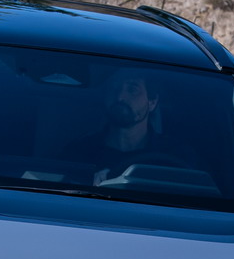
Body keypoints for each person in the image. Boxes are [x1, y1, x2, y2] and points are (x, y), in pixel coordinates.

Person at [62, 68, 193, 179]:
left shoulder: (175, 156)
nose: (120, 97)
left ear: (152, 102)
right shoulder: (78, 152)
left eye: (132, 89)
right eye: (114, 88)